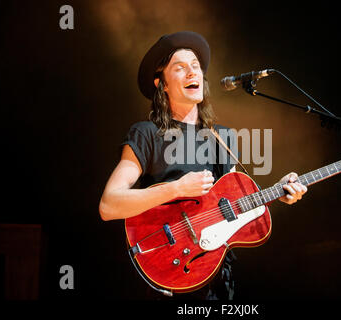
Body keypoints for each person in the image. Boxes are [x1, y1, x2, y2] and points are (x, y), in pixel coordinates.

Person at [99, 31, 307, 300]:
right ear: (161, 84)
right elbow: (109, 205)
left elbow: (234, 209)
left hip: (218, 278)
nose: (191, 72)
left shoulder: (224, 137)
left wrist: (278, 191)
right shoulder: (146, 133)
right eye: (180, 67)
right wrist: (176, 189)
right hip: (170, 274)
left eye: (195, 66)